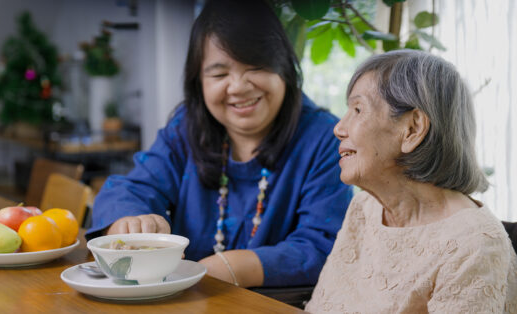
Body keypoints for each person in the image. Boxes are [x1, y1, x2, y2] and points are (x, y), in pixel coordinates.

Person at [86, 0, 352, 288]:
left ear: (285, 68)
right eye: (219, 74)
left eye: (256, 66)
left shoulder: (326, 138)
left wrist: (229, 267)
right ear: (198, 81)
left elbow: (321, 246)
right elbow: (132, 188)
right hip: (187, 299)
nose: (238, 86)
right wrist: (130, 220)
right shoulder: (186, 127)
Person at [305, 50, 517, 313]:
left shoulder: (474, 245)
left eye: (358, 109)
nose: (339, 128)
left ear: (413, 129)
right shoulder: (364, 208)